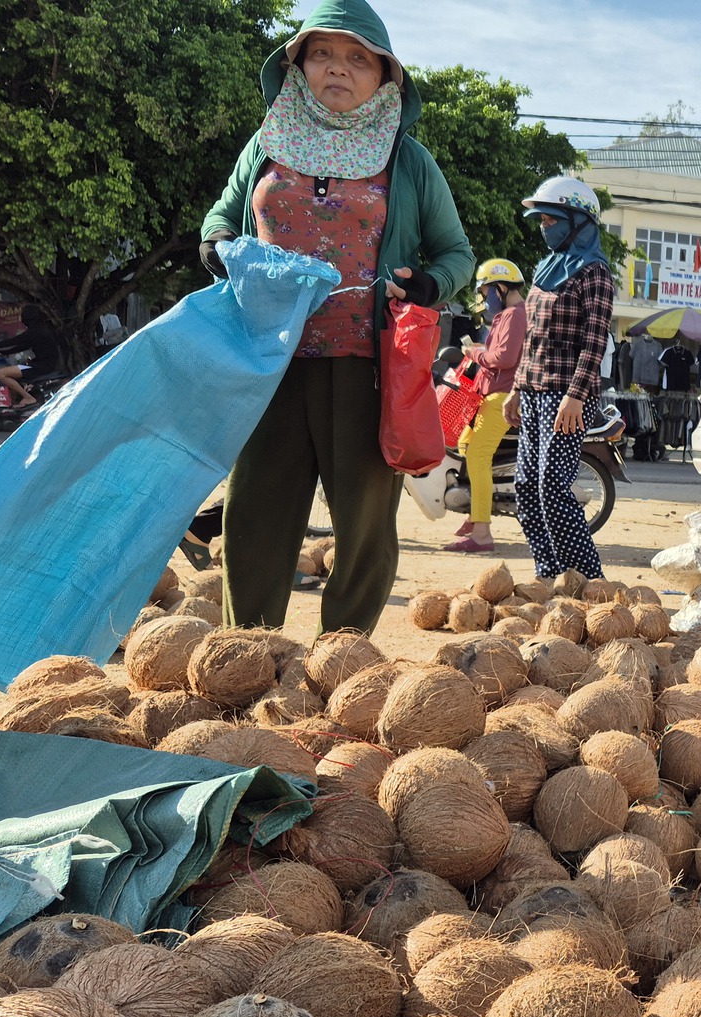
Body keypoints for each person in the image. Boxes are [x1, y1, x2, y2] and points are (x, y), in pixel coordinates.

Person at [200, 0, 474, 635]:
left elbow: (456, 253)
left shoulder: (409, 161)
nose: (338, 69)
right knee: (254, 514)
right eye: (322, 52)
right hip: (268, 361)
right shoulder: (266, 143)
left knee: (364, 525)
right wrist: (219, 249)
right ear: (297, 65)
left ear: (385, 77)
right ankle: (248, 652)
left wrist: (430, 283)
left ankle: (340, 657)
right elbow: (222, 214)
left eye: (358, 58)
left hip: (365, 369)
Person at [506, 175, 613, 583]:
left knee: (553, 486)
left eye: (550, 220)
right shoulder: (544, 269)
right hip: (532, 391)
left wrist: (575, 398)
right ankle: (549, 573)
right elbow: (532, 337)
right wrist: (516, 388)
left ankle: (589, 579)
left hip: (566, 398)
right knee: (525, 488)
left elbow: (594, 343)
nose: (543, 227)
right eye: (541, 221)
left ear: (578, 221)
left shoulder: (595, 272)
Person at [443, 258, 528, 554]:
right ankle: (476, 513)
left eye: (485, 292)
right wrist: (482, 352)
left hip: (500, 399)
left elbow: (503, 359)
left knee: (478, 456)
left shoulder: (515, 316)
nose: (484, 298)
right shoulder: (509, 315)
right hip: (492, 396)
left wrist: (477, 354)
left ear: (501, 288)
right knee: (466, 446)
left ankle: (481, 533)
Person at [0, 303, 68, 406]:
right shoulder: (42, 330)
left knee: (0, 374)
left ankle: (28, 397)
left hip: (39, 367)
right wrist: (3, 352)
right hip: (42, 365)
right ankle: (20, 400)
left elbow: (12, 342)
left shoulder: (34, 331)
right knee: (12, 374)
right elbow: (22, 346)